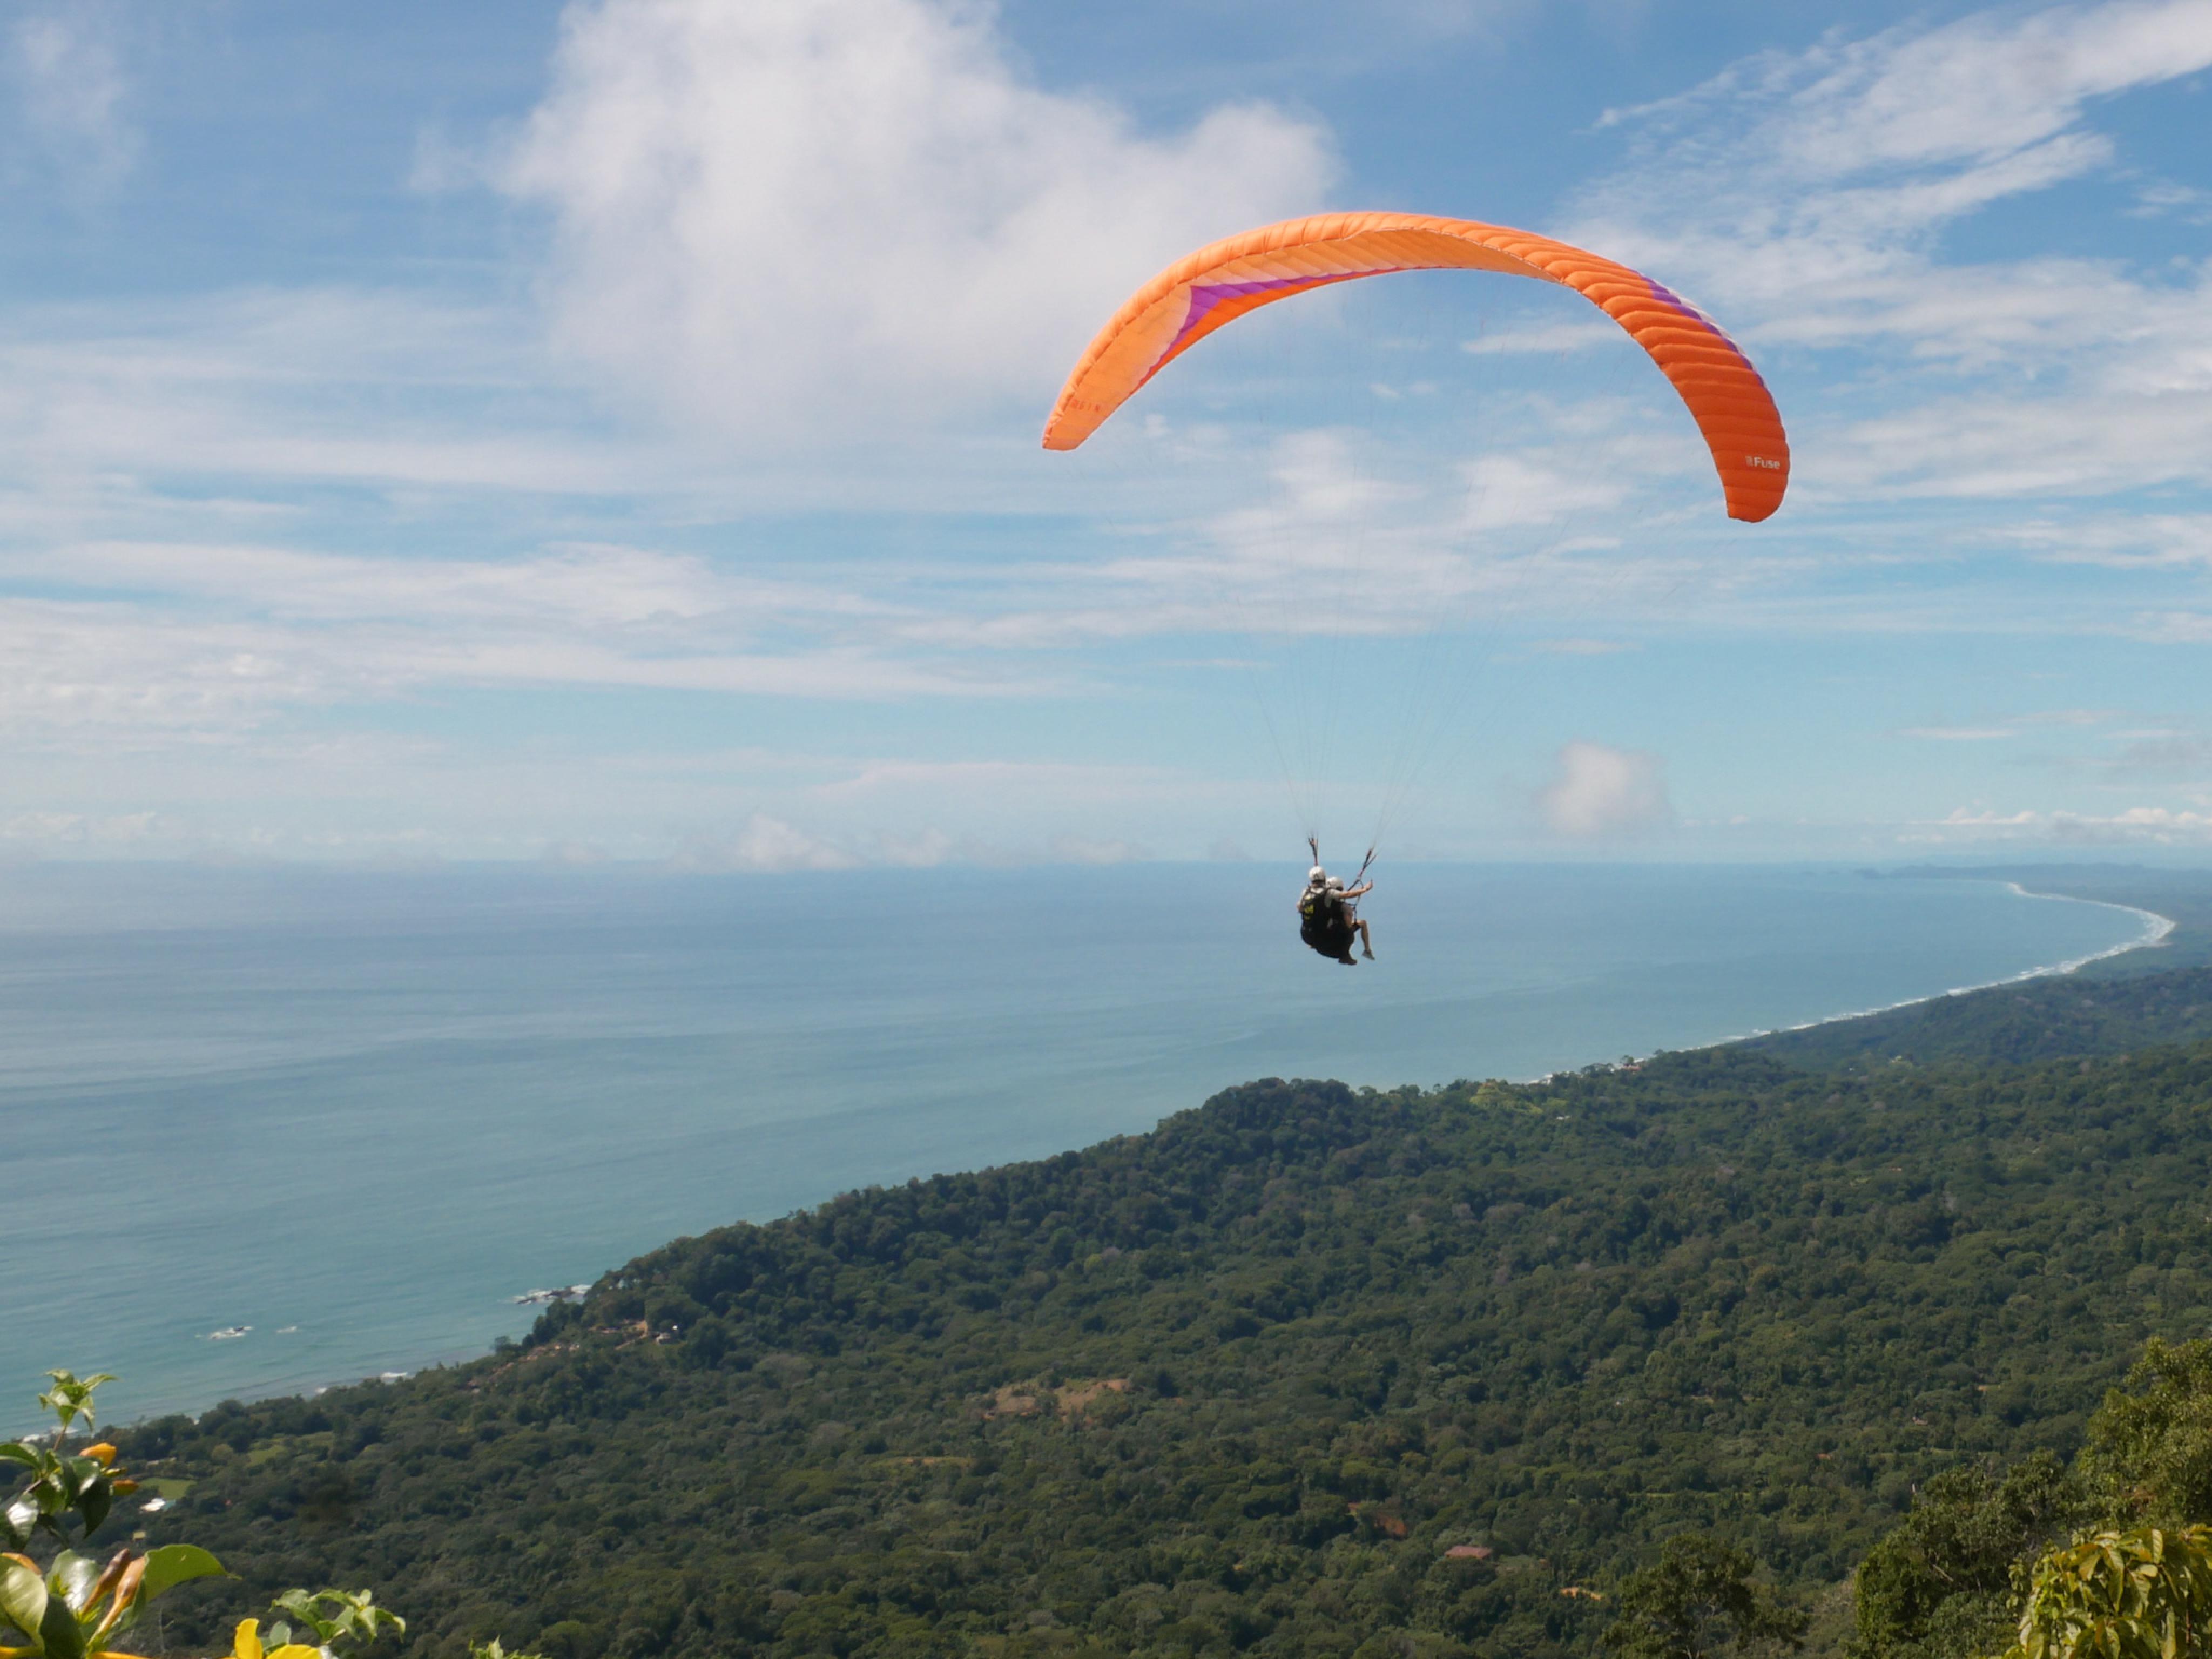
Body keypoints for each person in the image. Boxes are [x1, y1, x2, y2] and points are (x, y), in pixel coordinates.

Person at [1297, 866, 1374, 965]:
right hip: (1325, 936)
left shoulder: (1306, 892)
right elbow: (1347, 895)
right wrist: (1364, 890)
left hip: (1307, 935)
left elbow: (1299, 908)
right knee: (1351, 930)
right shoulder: (1330, 894)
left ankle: (1312, 944)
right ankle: (1349, 955)